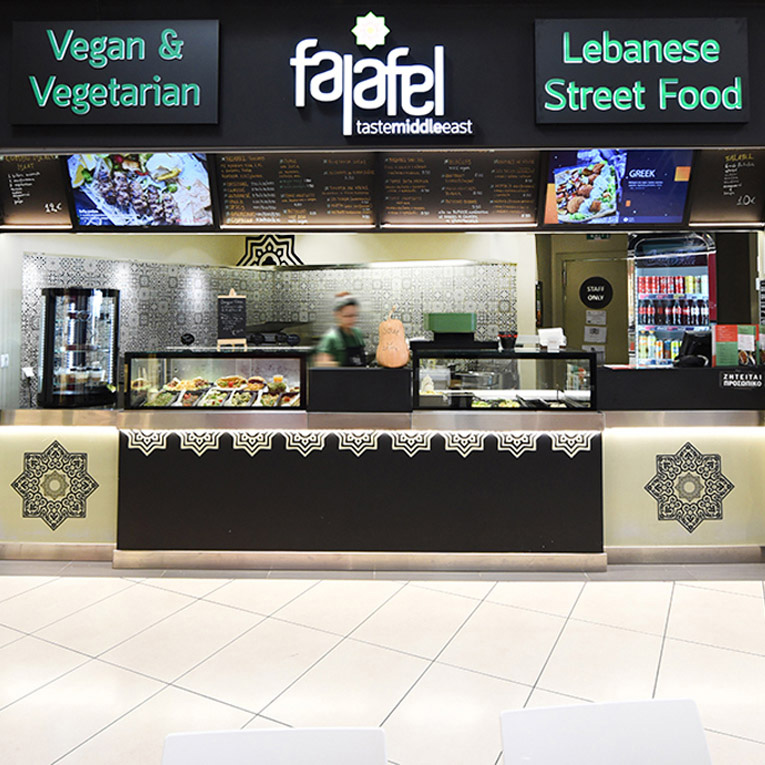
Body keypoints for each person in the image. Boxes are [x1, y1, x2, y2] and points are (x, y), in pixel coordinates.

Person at [314, 292, 367, 367]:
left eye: (354, 315)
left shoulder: (357, 333)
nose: (352, 320)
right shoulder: (331, 338)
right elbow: (321, 365)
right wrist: (339, 366)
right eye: (347, 316)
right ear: (337, 315)